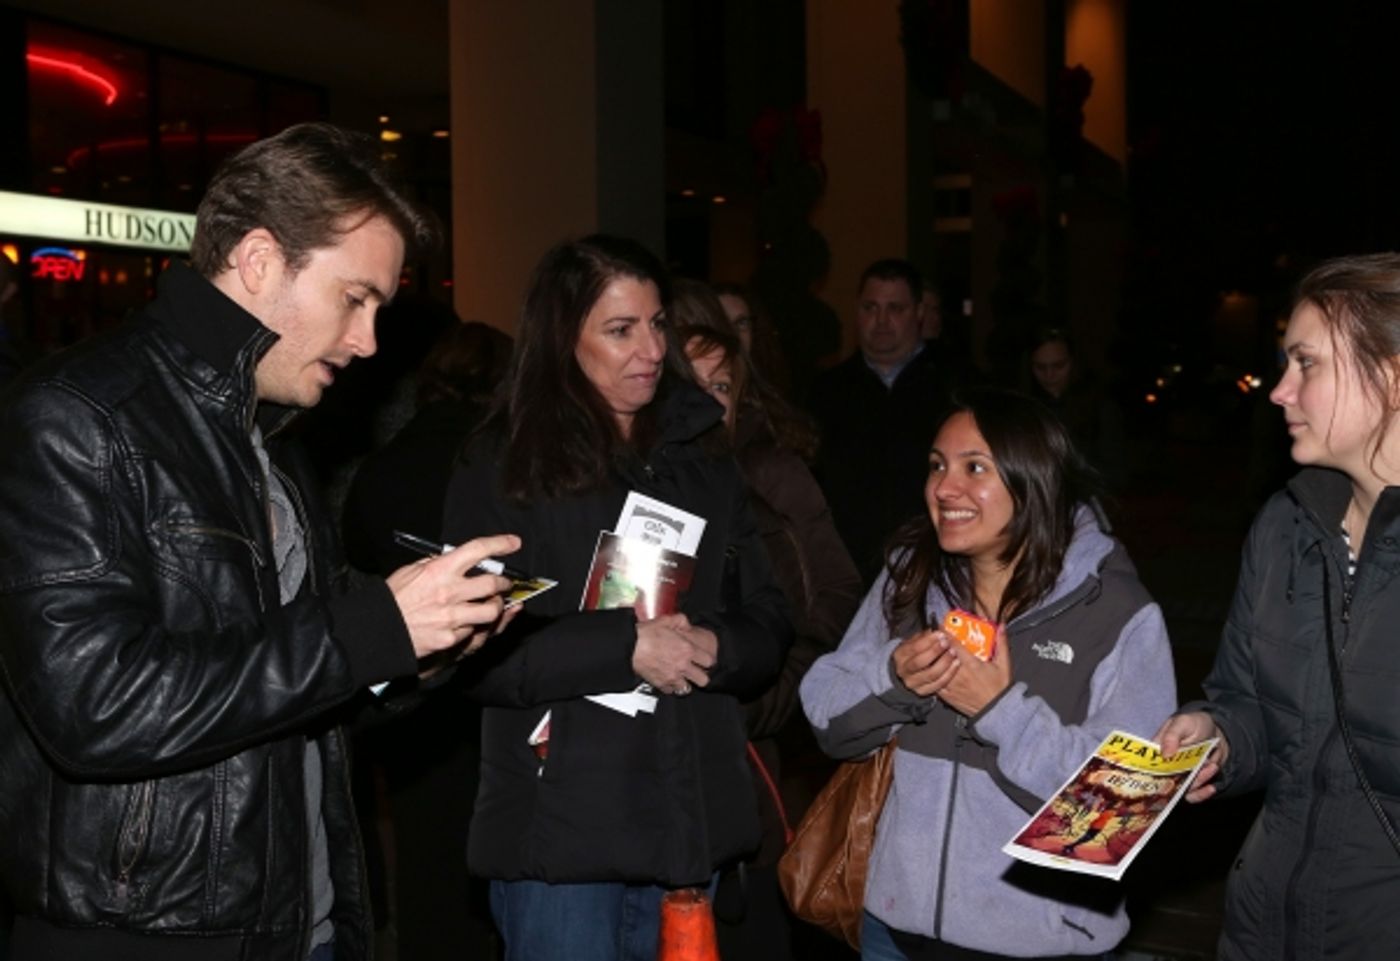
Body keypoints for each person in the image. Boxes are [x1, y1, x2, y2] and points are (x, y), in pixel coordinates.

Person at [0, 122, 520, 961]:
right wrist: (372, 628)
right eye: (355, 299)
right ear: (258, 261)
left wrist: (426, 644)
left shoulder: (269, 438)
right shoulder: (79, 415)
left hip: (299, 923)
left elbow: (294, 692)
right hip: (146, 936)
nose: (368, 341)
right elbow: (93, 706)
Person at [442, 235, 792, 961]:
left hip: (686, 824)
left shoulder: (702, 460)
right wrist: (625, 646)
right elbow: (472, 650)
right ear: (564, 339)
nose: (651, 348)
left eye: (658, 323)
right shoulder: (506, 464)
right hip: (565, 841)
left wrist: (717, 646)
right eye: (621, 329)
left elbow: (770, 617)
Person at [801, 387, 1176, 960]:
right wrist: (894, 680)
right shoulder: (911, 578)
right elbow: (827, 717)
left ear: (1034, 482)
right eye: (936, 466)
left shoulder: (1117, 613)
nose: (944, 488)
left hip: (1038, 946)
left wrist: (1002, 713)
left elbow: (1119, 816)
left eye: (974, 467)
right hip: (891, 935)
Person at [1156, 253, 1400, 961]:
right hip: (1265, 931)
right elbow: (1250, 701)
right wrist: (1217, 734)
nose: (1279, 390)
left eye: (1307, 363)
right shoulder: (1284, 528)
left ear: (1390, 376)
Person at [676, 311, 862, 960]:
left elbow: (838, 595)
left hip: (754, 768)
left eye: (722, 386)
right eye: (689, 383)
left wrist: (777, 689)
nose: (705, 402)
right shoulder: (637, 480)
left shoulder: (773, 476)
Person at [807, 258, 962, 583]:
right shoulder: (822, 395)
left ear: (919, 312)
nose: (881, 321)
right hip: (846, 576)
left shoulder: (956, 390)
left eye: (895, 309)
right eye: (870, 307)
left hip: (936, 569)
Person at [1026, 327, 1126, 491]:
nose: (1049, 375)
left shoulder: (1100, 408)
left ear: (1074, 363)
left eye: (1058, 366)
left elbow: (1117, 475)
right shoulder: (1027, 406)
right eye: (1040, 367)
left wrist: (1071, 464)